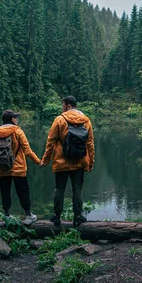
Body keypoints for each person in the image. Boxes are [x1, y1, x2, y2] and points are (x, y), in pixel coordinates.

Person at [40, 96, 95, 227]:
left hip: (61, 162)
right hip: (80, 162)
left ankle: (57, 217)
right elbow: (90, 144)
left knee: (59, 190)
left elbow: (51, 142)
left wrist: (45, 160)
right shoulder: (86, 121)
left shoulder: (59, 120)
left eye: (63, 106)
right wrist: (90, 162)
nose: (62, 108)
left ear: (69, 106)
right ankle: (77, 218)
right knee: (77, 190)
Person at [0, 110, 40, 225]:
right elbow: (27, 151)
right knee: (23, 191)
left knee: (5, 191)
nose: (17, 119)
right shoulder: (18, 131)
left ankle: (7, 215)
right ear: (12, 119)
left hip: (2, 167)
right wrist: (38, 161)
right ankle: (28, 215)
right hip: (18, 167)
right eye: (15, 118)